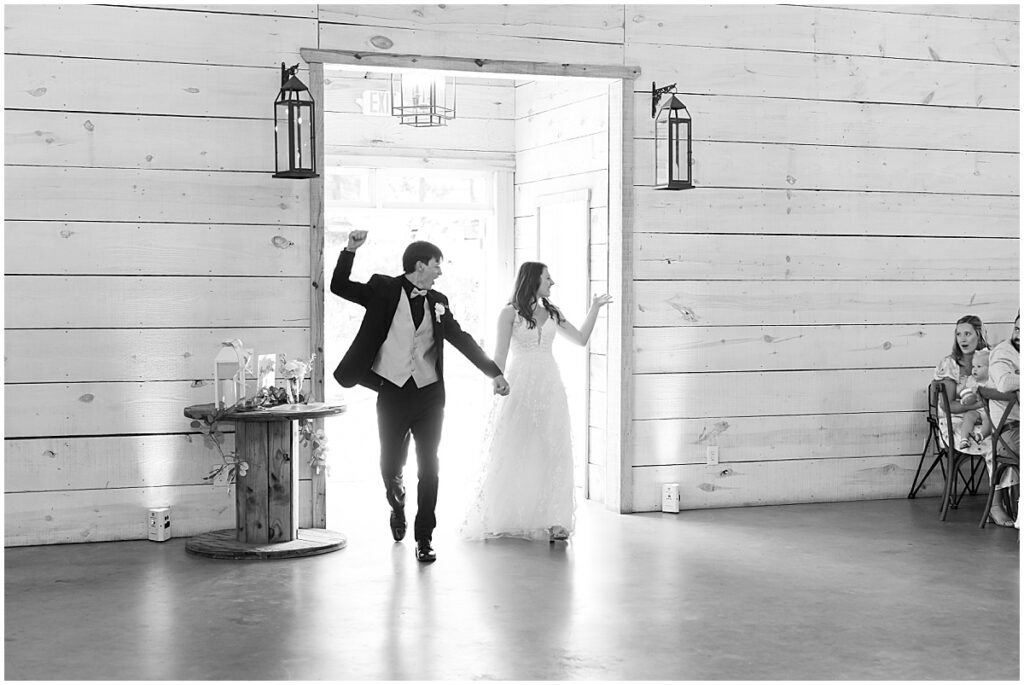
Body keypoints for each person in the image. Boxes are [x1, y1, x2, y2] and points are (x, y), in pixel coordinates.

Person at [330, 230, 510, 562]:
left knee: (430, 467)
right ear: (420, 265)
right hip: (392, 393)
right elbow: (339, 286)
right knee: (390, 465)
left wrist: (494, 372)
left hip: (429, 396)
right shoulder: (383, 289)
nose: (440, 272)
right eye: (437, 265)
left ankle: (424, 537)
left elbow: (462, 338)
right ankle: (396, 503)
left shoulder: (438, 302)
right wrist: (350, 250)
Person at [459, 262, 612, 542]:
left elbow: (580, 339)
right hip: (521, 384)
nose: (552, 282)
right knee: (517, 446)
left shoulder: (552, 311)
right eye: (547, 278)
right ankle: (506, 514)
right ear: (533, 280)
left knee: (554, 448)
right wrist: (497, 379)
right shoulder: (509, 313)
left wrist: (595, 308)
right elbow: (500, 354)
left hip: (550, 385)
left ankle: (555, 519)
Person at [932, 315, 990, 460]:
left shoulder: (990, 360)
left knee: (1008, 437)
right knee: (993, 442)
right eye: (958, 334)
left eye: (967, 334)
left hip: (985, 416)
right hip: (954, 419)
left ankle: (1005, 480)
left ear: (979, 335)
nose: (962, 339)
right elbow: (947, 405)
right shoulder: (950, 364)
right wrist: (977, 405)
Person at [985, 312, 1019, 527]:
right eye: (1017, 329)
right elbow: (1005, 383)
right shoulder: (1002, 353)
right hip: (1008, 431)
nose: (1019, 335)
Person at [957, 348, 995, 450]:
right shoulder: (971, 380)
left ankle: (980, 436)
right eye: (973, 366)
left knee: (989, 420)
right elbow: (964, 394)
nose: (974, 369)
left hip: (989, 411)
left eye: (979, 366)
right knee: (969, 416)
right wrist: (966, 394)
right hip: (976, 411)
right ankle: (964, 439)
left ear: (990, 369)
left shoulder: (992, 382)